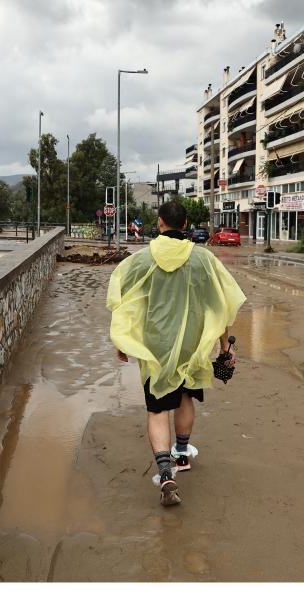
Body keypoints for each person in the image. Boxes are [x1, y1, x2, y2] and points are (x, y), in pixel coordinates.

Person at [107, 201, 246, 506]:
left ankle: (166, 474)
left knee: (157, 408)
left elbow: (127, 302)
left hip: (155, 345)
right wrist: (225, 347)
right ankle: (182, 454)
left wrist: (122, 340)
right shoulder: (204, 260)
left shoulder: (142, 260)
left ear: (159, 224)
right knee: (184, 398)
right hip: (192, 344)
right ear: (185, 224)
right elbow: (219, 306)